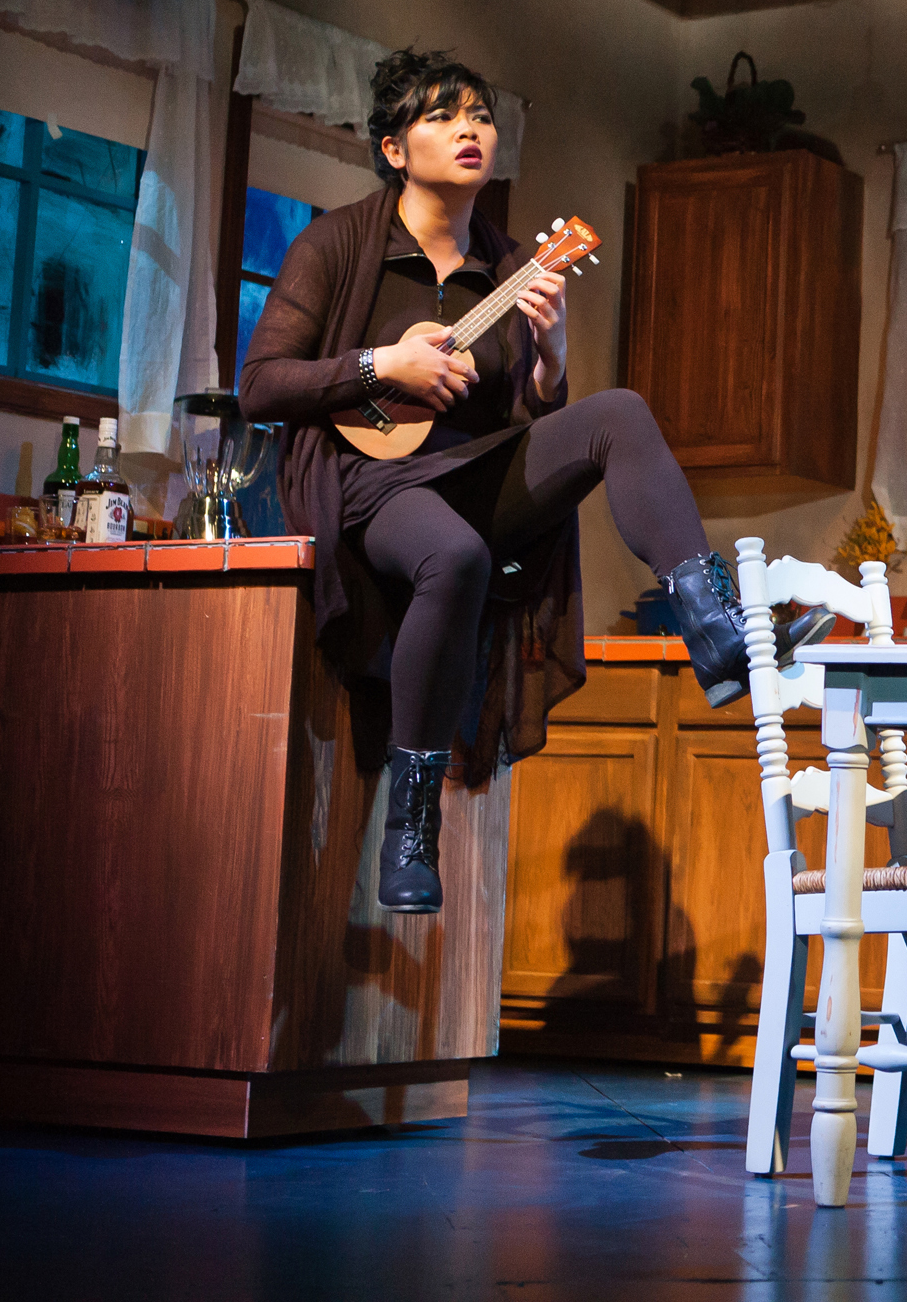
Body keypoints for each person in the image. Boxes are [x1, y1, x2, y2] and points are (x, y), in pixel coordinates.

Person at [239, 49, 828, 914]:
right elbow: (260, 384)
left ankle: (714, 628)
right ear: (394, 148)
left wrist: (550, 357)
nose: (470, 129)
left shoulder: (513, 263)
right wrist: (381, 365)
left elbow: (525, 417)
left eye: (479, 115)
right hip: (374, 485)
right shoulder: (337, 243)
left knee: (618, 410)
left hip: (475, 472)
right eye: (443, 115)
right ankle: (411, 826)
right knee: (455, 557)